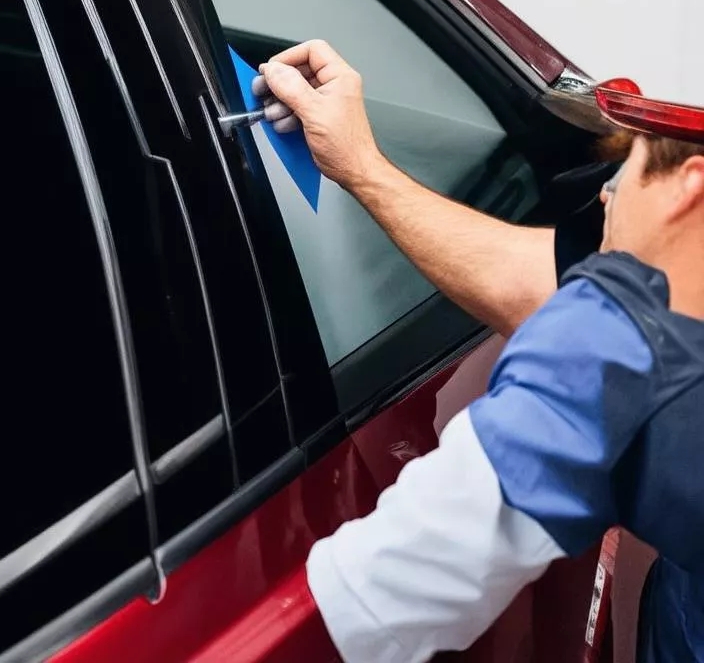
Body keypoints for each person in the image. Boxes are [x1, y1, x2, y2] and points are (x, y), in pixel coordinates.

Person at [256, 40, 704, 663]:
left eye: (623, 168)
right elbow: (533, 279)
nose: (604, 194)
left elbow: (374, 599)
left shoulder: (622, 364)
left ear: (691, 186)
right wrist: (360, 164)